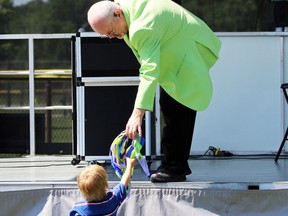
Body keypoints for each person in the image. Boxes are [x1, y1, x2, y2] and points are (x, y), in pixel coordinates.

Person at [87, 0, 221, 182]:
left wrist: (136, 114)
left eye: (110, 31)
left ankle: (175, 168)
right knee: (170, 105)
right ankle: (174, 164)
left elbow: (148, 71)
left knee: (176, 107)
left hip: (189, 51)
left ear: (118, 13)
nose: (111, 37)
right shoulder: (125, 10)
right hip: (176, 48)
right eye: (106, 35)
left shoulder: (143, 27)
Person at [69, 157, 137, 216]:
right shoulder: (112, 200)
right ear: (105, 184)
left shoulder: (78, 209)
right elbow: (123, 183)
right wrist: (129, 167)